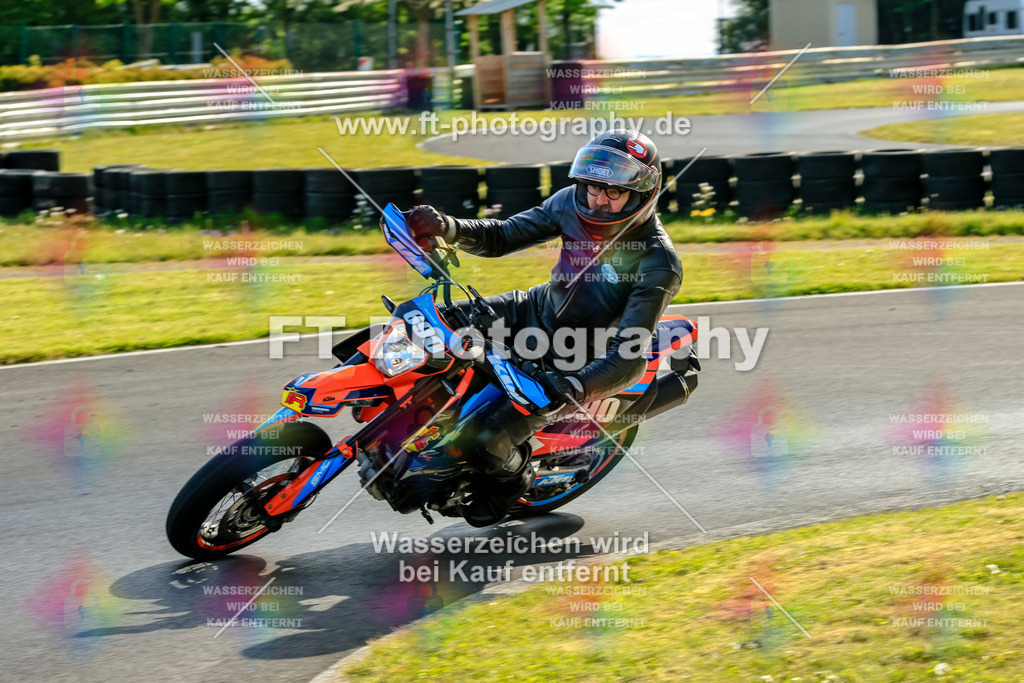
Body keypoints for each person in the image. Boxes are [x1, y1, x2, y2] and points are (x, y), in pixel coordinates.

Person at [406, 130, 682, 526]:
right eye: (592, 186)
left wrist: (573, 388)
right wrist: (447, 226)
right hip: (532, 309)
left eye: (613, 192)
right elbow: (503, 235)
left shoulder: (658, 263)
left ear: (641, 194)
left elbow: (628, 357)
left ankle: (510, 483)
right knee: (418, 324)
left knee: (486, 440)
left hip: (574, 357)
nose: (598, 199)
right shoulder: (571, 203)